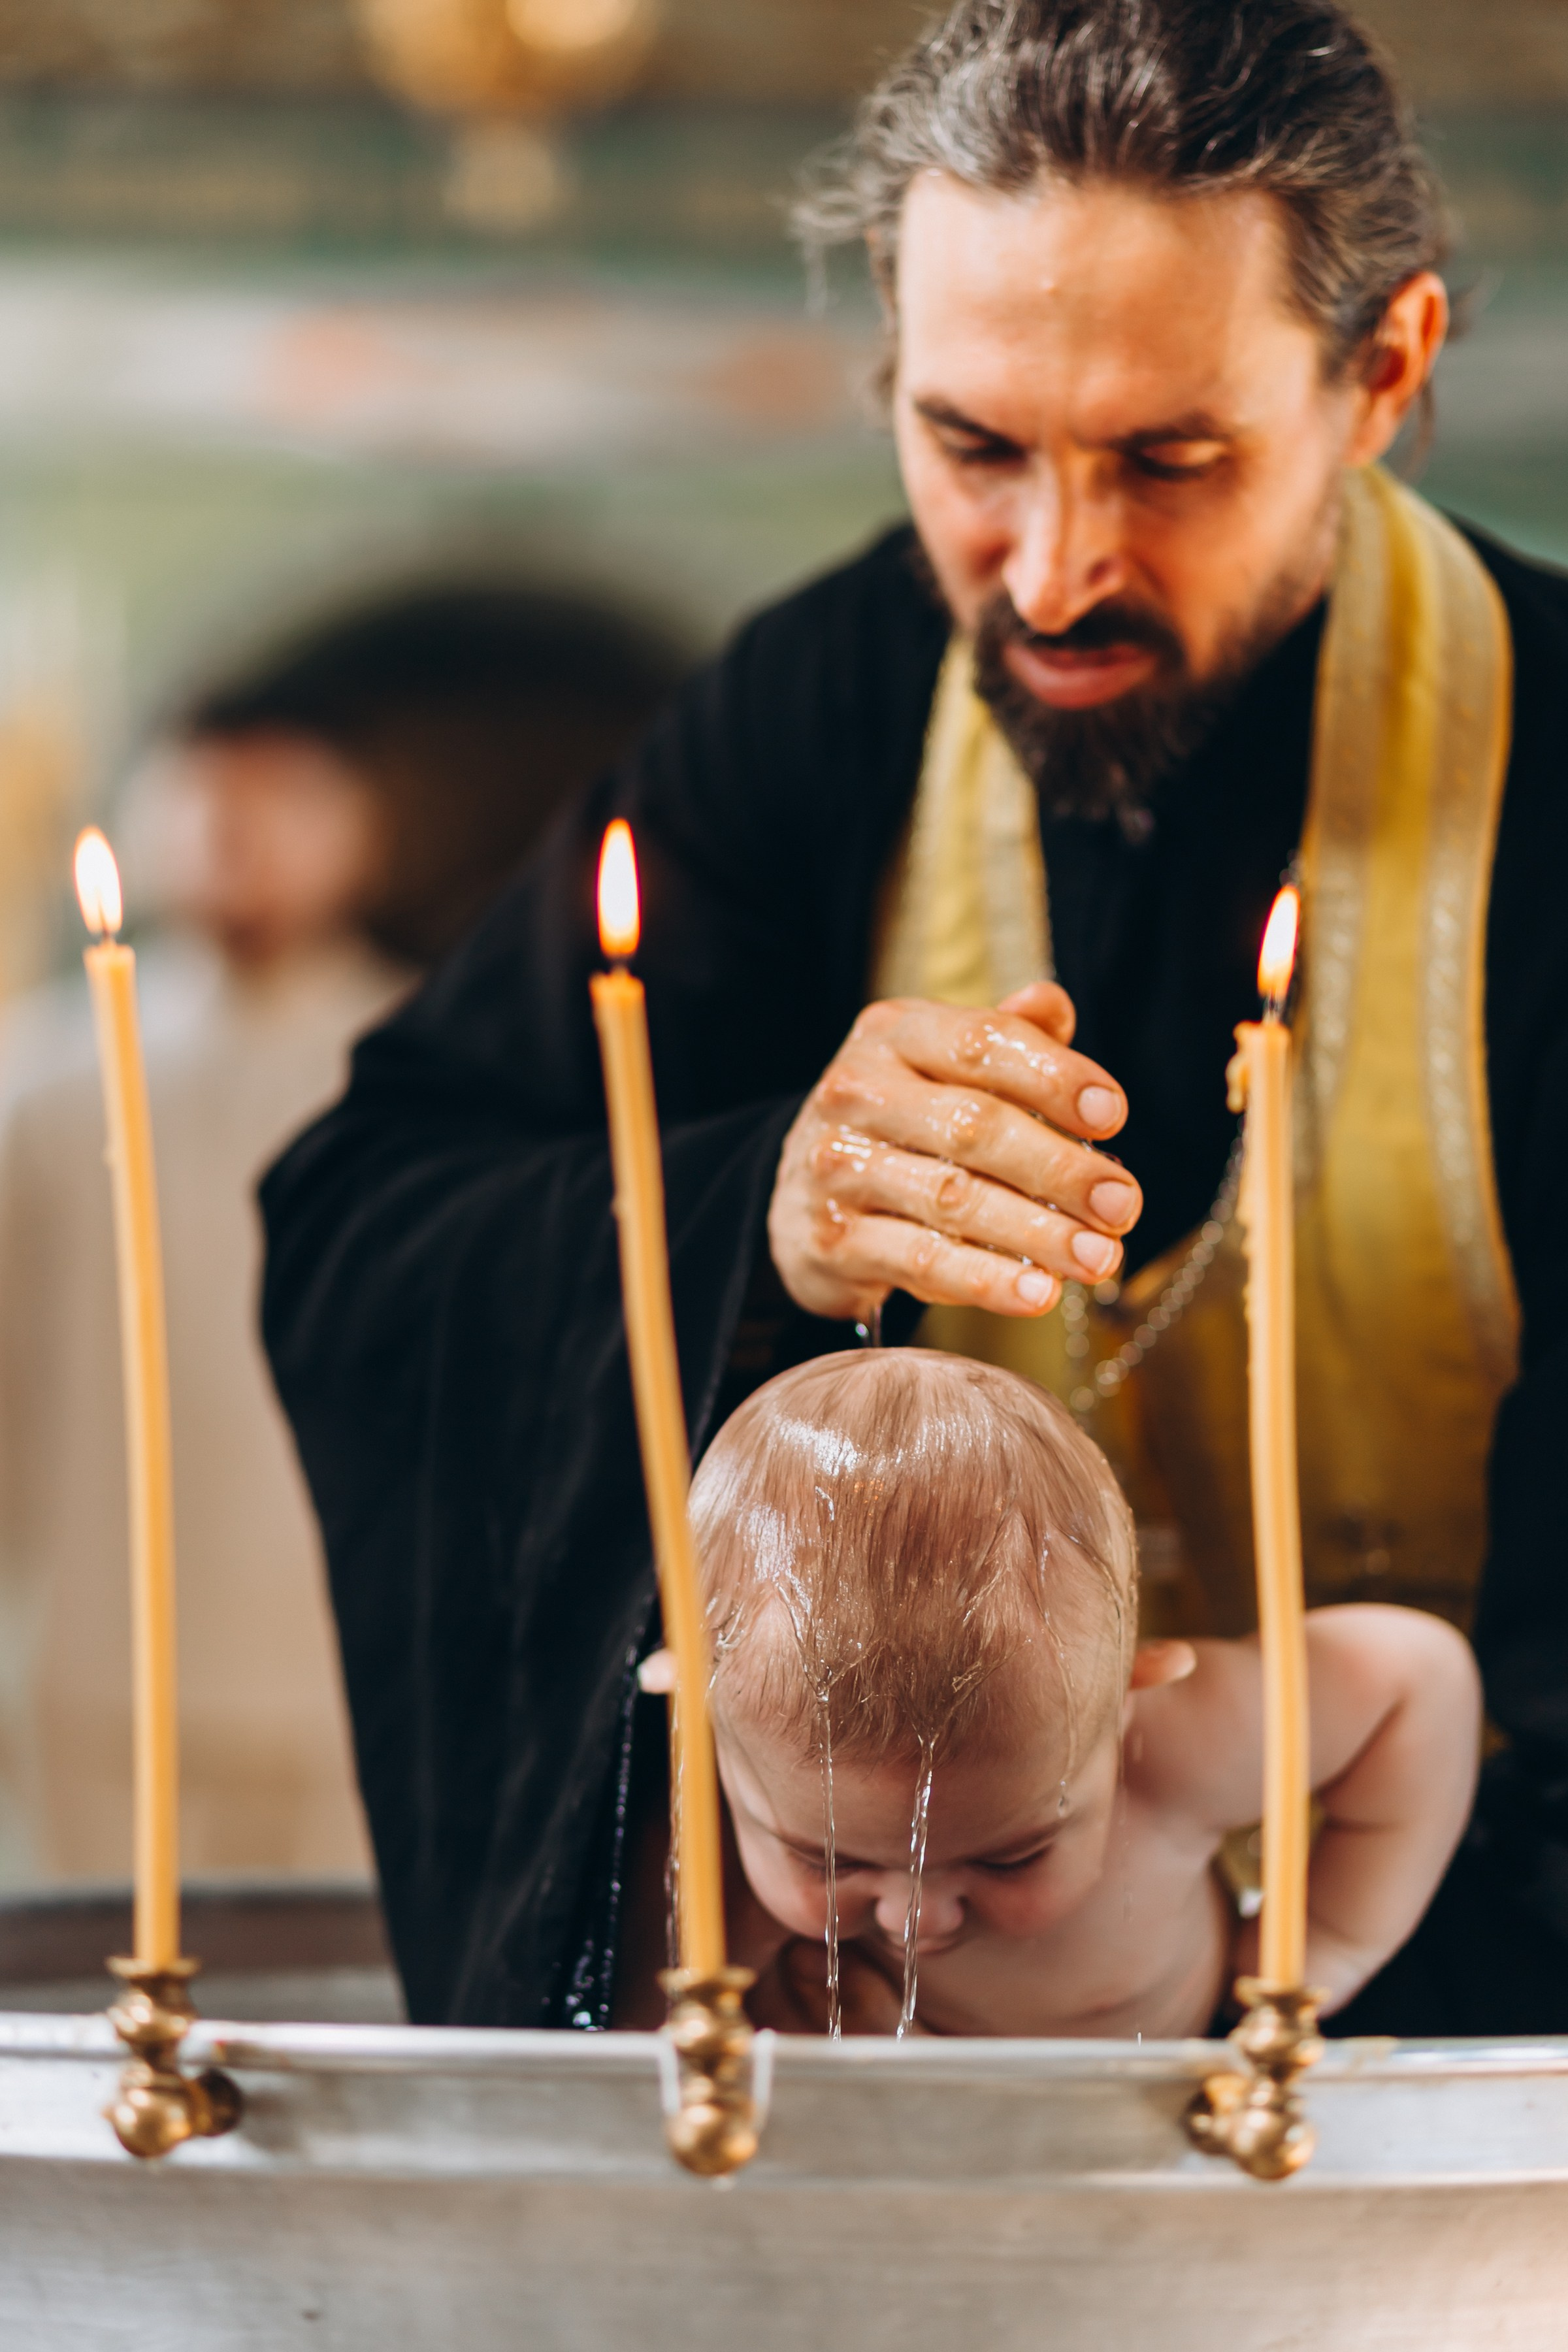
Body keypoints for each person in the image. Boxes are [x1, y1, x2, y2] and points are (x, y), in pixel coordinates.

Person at [260, 0, 1568, 2034]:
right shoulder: (831, 706)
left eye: (1170, 458)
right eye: (974, 445)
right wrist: (756, 1225)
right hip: (899, 2075)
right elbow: (379, 1227)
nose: (1051, 576)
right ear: (890, 327)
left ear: (1383, 369)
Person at [0, 583, 684, 1886]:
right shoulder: (38, 1081)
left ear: (362, 829)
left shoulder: (430, 1060)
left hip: (351, 1636)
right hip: (105, 1635)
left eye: (284, 800)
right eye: (205, 796)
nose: (236, 838)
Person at [629, 1350, 1477, 2039]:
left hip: (1164, 2127)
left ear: (1129, 1694)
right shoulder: (723, 1802)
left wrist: (1329, 1941)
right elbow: (643, 2036)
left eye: (1008, 1855)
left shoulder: (1181, 1748)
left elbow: (1419, 1683)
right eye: (832, 1861)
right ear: (697, 1710)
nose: (917, 1918)